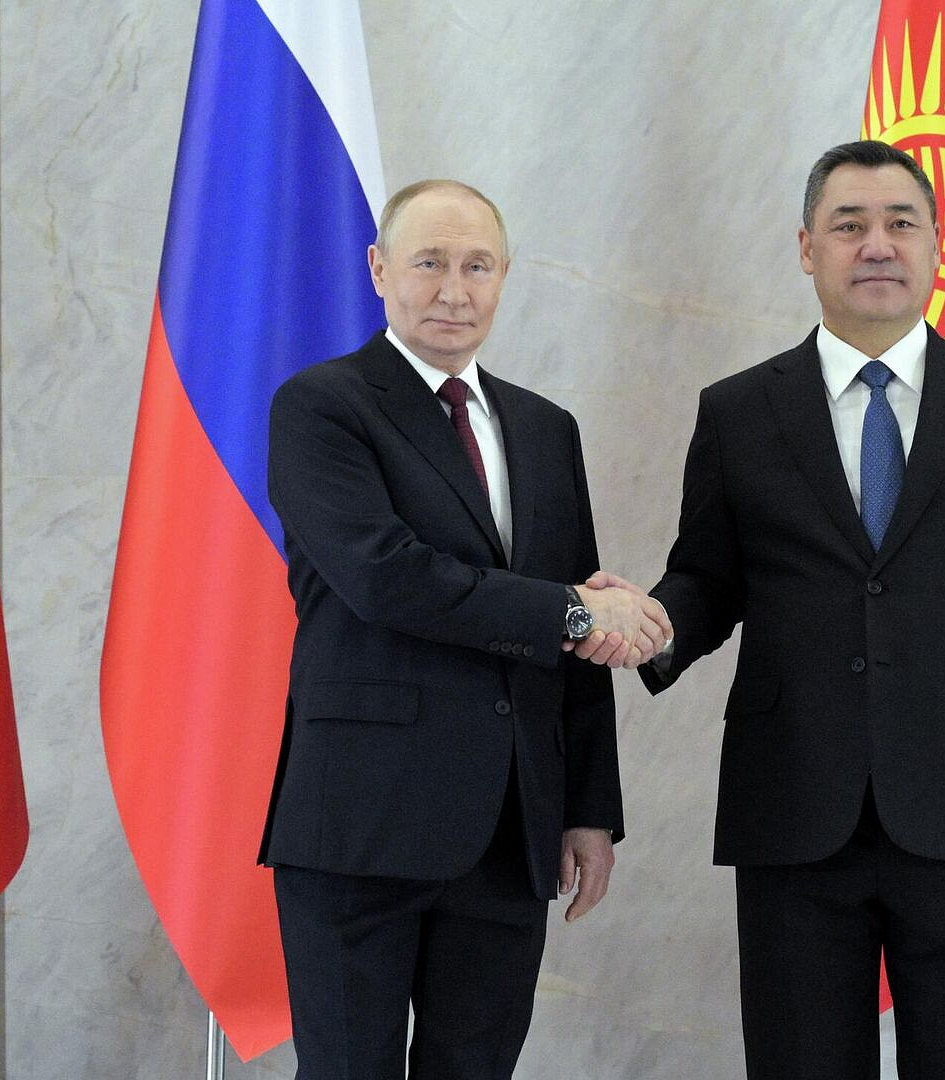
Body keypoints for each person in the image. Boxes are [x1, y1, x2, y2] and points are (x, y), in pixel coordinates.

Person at [599, 140, 945, 1079]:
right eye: (849, 225)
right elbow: (707, 577)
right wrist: (651, 622)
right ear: (807, 248)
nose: (877, 244)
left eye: (900, 223)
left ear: (937, 246)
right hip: (794, 803)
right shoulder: (739, 412)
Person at [260, 178, 668, 1080]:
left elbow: (577, 632)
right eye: (430, 263)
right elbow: (388, 578)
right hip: (361, 825)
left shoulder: (546, 428)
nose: (454, 289)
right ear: (378, 270)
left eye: (477, 266)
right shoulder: (321, 406)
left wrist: (589, 809)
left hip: (509, 829)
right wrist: (573, 609)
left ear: (505, 276)